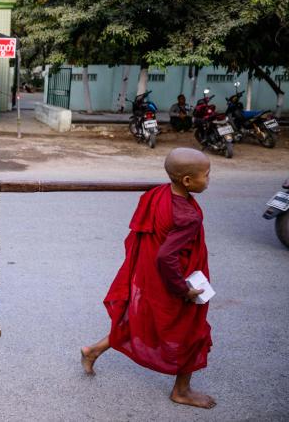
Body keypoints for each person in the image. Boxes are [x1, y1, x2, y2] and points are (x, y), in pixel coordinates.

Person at [80, 147, 216, 409]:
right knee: (192, 332)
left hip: (150, 276)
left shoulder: (159, 194)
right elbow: (166, 257)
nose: (209, 179)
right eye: (207, 175)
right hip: (173, 281)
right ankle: (182, 391)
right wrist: (183, 290)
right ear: (186, 181)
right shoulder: (187, 216)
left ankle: (93, 350)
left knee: (141, 319)